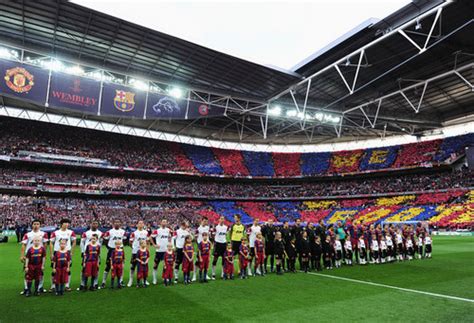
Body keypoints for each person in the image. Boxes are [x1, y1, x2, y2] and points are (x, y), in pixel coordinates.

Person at [20, 219, 48, 294]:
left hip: (39, 255)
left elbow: (45, 245)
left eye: (37, 224)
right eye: (34, 224)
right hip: (29, 256)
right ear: (32, 225)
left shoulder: (43, 234)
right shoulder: (27, 234)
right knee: (27, 272)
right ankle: (26, 288)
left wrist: (44, 254)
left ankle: (40, 287)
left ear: (40, 225)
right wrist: (22, 255)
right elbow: (23, 245)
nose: (36, 225)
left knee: (40, 273)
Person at [49, 218, 76, 292]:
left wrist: (72, 252)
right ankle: (53, 285)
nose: (67, 224)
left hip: (67, 253)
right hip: (57, 253)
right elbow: (51, 242)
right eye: (65, 223)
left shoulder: (71, 232)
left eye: (68, 223)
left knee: (67, 269)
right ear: (62, 224)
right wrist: (51, 254)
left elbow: (74, 241)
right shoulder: (56, 232)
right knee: (54, 270)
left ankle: (67, 285)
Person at [101, 219, 125, 288]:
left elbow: (125, 239)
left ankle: (120, 281)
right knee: (108, 266)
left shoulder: (123, 231)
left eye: (118, 222)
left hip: (120, 250)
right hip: (112, 250)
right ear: (113, 223)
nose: (117, 223)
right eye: (116, 222)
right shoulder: (109, 232)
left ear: (120, 223)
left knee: (121, 266)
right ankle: (103, 282)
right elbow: (105, 239)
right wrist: (109, 248)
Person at [79, 220, 102, 291]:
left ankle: (95, 284)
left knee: (96, 269)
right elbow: (82, 242)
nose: (94, 225)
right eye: (93, 223)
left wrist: (99, 253)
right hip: (87, 253)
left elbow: (101, 242)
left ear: (97, 225)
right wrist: (83, 252)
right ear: (90, 224)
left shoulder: (100, 233)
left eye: (96, 223)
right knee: (84, 269)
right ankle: (83, 284)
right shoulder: (86, 233)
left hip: (96, 254)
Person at [127, 220, 149, 287]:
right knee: (133, 266)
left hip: (144, 252)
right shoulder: (134, 233)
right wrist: (134, 248)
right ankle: (130, 280)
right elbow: (130, 242)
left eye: (142, 223)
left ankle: (144, 280)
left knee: (144, 266)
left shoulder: (146, 232)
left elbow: (147, 241)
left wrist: (147, 249)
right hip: (135, 252)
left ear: (143, 224)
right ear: (137, 225)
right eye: (139, 223)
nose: (141, 224)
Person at [151, 219, 172, 285]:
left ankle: (164, 277)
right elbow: (150, 237)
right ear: (160, 223)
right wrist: (154, 245)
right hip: (159, 251)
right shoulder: (157, 231)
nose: (164, 223)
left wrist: (170, 244)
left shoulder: (168, 230)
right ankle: (154, 279)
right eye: (163, 222)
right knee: (155, 265)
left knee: (165, 265)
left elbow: (170, 237)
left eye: (165, 222)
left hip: (165, 251)